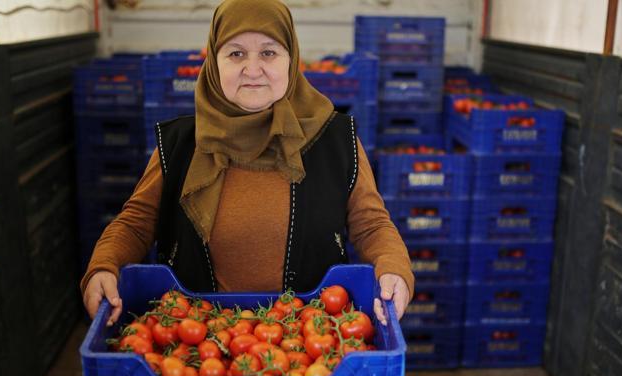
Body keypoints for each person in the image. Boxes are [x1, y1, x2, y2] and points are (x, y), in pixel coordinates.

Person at [81, 0, 414, 328]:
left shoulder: (336, 140)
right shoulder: (180, 145)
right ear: (214, 61)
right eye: (236, 53)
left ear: (291, 59)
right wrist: (104, 266)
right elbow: (136, 223)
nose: (252, 69)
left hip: (310, 342)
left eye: (269, 52)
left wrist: (394, 267)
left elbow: (371, 224)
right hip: (197, 345)